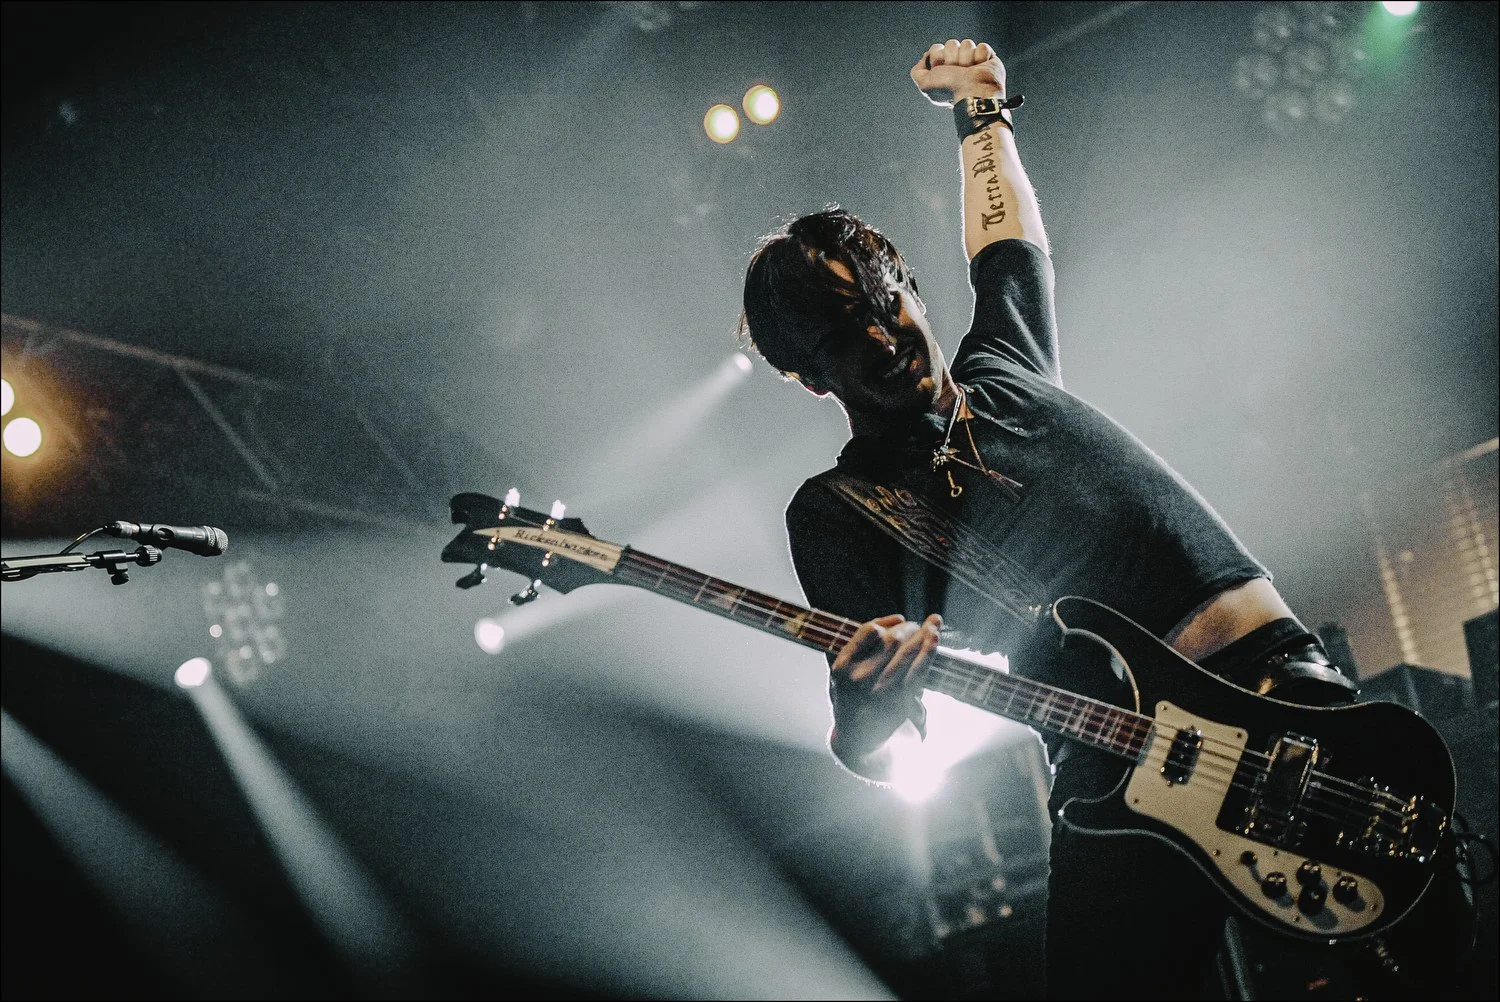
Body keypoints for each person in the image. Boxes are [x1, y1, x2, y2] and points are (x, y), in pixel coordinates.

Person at [737, 39, 1358, 999]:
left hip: (1274, 694)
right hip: (1119, 774)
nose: (879, 335)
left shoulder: (1007, 366)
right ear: (806, 374)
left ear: (907, 286)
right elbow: (884, 741)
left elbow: (1007, 241)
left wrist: (982, 114)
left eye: (882, 299)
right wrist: (866, 711)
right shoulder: (840, 511)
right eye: (837, 333)